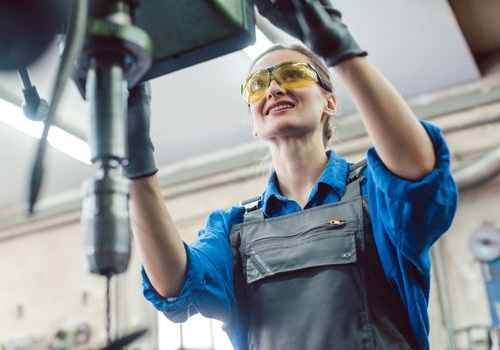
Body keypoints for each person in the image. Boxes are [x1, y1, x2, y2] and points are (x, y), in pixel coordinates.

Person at [124, 1, 458, 349]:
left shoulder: (375, 193)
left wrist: (340, 49)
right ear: (254, 123)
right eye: (257, 85)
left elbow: (419, 174)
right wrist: (136, 163)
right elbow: (173, 285)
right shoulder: (234, 229)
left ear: (329, 102)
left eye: (293, 75)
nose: (273, 89)